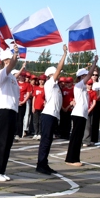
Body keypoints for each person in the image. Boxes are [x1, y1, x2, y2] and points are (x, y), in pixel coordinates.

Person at [0, 45, 21, 182]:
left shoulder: (12, 77)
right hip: (4, 110)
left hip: (12, 110)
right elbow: (11, 64)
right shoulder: (2, 74)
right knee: (0, 141)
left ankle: (1, 170)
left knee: (7, 142)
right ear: (3, 61)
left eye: (9, 60)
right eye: (6, 60)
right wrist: (15, 54)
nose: (9, 62)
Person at [36, 45, 69, 175]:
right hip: (48, 115)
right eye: (55, 73)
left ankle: (44, 163)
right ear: (50, 74)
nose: (58, 74)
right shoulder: (50, 83)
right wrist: (64, 55)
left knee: (48, 141)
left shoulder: (55, 86)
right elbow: (59, 68)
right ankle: (40, 164)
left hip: (53, 115)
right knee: (45, 140)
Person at [65, 57, 99, 166]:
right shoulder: (79, 85)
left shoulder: (83, 87)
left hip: (82, 114)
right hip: (78, 114)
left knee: (78, 138)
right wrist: (94, 63)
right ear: (81, 77)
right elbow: (90, 75)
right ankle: (71, 159)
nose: (87, 77)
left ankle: (75, 158)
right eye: (85, 76)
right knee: (76, 137)